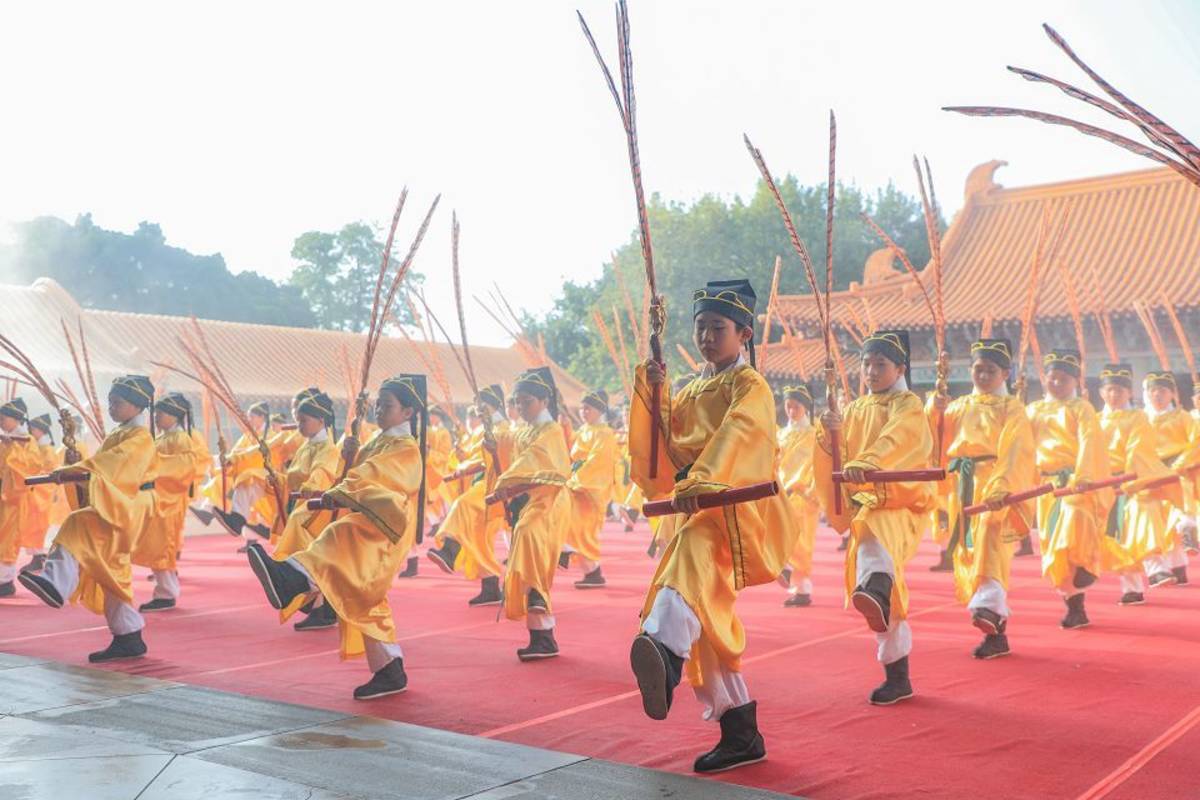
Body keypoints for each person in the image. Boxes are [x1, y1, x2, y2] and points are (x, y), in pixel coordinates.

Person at [628, 280, 799, 773]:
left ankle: (663, 649)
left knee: (686, 569)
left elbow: (740, 434)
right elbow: (670, 447)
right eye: (700, 326)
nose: (706, 336)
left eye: (717, 328)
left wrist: (704, 477)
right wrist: (653, 393)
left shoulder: (751, 387)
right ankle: (740, 732)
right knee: (707, 618)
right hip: (700, 504)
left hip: (735, 512)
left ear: (743, 333)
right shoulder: (693, 388)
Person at [246, 374, 429, 700]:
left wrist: (340, 490)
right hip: (370, 518)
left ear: (409, 413)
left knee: (339, 537)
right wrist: (350, 456)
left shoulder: (405, 447)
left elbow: (376, 476)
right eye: (377, 405)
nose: (378, 411)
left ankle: (296, 579)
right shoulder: (381, 440)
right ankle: (389, 670)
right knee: (364, 594)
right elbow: (360, 470)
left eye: (386, 406)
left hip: (386, 526)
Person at [815, 330, 936, 704]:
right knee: (880, 582)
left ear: (900, 367)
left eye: (880, 364)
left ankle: (875, 590)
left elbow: (899, 440)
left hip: (901, 502)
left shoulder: (908, 405)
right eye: (866, 364)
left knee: (874, 537)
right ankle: (896, 674)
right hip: (869, 501)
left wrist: (866, 463)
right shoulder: (854, 409)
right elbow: (837, 454)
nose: (870, 371)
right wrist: (828, 433)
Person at [20, 376, 159, 662]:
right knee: (108, 567)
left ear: (136, 405)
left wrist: (75, 469)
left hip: (129, 505)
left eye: (117, 403)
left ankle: (57, 583)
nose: (111, 408)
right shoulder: (123, 433)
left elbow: (111, 466)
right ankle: (128, 637)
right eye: (110, 402)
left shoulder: (140, 438)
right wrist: (76, 467)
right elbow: (102, 466)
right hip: (121, 502)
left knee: (77, 524)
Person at [933, 340, 1035, 658]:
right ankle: (996, 634)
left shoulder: (1012, 408)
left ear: (1005, 373)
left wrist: (1001, 487)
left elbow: (1016, 448)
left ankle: (989, 609)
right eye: (978, 369)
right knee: (968, 552)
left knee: (992, 537)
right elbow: (936, 435)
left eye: (991, 370)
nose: (984, 375)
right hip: (963, 485)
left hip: (996, 485)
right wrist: (933, 409)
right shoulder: (959, 405)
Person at [1026, 349, 1111, 630]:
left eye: (1063, 379)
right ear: (1045, 378)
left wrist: (1083, 476)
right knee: (1054, 549)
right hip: (1047, 486)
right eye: (1052, 378)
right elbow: (1021, 446)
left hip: (1076, 481)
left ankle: (1087, 565)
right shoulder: (1033, 410)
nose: (1057, 384)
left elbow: (1090, 442)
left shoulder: (1081, 408)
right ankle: (1076, 608)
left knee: (1076, 520)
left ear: (1074, 381)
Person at [492, 367, 573, 661]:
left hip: (549, 499)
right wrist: (493, 444)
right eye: (518, 402)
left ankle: (540, 600)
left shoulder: (551, 430)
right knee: (525, 548)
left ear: (544, 401)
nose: (521, 407)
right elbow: (510, 451)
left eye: (527, 402)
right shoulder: (524, 429)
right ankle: (542, 636)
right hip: (528, 498)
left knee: (528, 537)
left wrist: (508, 483)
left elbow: (533, 460)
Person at [1097, 364, 1182, 606]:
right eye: (1110, 390)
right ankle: (1132, 588)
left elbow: (1138, 448)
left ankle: (1156, 566)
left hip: (1133, 479)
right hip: (1103, 483)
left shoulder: (1138, 418)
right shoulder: (1094, 420)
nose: (1115, 395)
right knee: (1114, 536)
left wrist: (1130, 478)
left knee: (1142, 516)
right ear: (1102, 392)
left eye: (1120, 390)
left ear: (1129, 393)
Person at [426, 385, 511, 606]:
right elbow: (476, 456)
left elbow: (488, 460)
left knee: (463, 505)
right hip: (481, 483)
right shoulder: (487, 428)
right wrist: (461, 460)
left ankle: (450, 549)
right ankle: (490, 586)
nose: (476, 411)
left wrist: (464, 467)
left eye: (480, 407)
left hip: (493, 485)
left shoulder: (502, 428)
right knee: (477, 536)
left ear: (491, 406)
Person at [269, 388, 342, 630]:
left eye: (303, 420)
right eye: (298, 420)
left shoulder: (328, 449)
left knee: (300, 526)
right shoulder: (306, 447)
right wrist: (277, 479)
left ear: (321, 420)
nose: (299, 425)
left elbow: (322, 474)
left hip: (320, 508)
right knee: (300, 527)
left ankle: (287, 576)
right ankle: (321, 608)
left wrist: (311, 487)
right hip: (305, 505)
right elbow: (293, 480)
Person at [131, 392, 208, 612]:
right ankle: (164, 589)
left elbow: (184, 467)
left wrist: (152, 463)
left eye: (161, 414)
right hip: (158, 499)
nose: (156, 418)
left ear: (174, 416)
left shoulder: (181, 439)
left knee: (162, 547)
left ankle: (166, 593)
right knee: (155, 546)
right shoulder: (162, 438)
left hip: (169, 500)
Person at [1143, 369, 1198, 586]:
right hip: (1149, 475)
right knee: (1152, 521)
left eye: (1163, 391)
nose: (1158, 395)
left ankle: (1178, 563)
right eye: (1153, 391)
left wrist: (1179, 464)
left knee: (1178, 517)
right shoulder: (1141, 419)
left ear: (1172, 394)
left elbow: (1196, 442)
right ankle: (1161, 568)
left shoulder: (1182, 417)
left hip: (1178, 473)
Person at [563, 389, 619, 589]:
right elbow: (571, 451)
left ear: (598, 410)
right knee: (573, 525)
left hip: (590, 489)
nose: (583, 412)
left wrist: (575, 480)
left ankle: (591, 570)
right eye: (581, 408)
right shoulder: (584, 430)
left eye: (587, 408)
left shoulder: (604, 433)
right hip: (576, 484)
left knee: (582, 529)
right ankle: (592, 572)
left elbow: (597, 462)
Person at [776, 385, 819, 607]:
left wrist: (803, 487)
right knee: (780, 533)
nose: (792, 411)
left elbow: (814, 465)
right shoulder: (780, 434)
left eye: (796, 407)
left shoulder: (813, 435)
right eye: (788, 406)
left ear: (805, 408)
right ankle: (795, 581)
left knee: (801, 540)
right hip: (782, 492)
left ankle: (798, 582)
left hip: (803, 494)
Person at [213, 401, 277, 546]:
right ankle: (237, 520)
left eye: (252, 417)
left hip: (268, 478)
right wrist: (227, 458)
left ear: (262, 417)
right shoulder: (248, 435)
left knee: (246, 480)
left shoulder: (272, 435)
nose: (249, 420)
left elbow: (256, 452)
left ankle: (239, 521)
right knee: (237, 483)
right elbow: (237, 451)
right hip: (251, 477)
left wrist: (234, 458)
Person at [0, 399, 46, 597]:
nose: (1, 422)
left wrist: (12, 448)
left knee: (8, 539)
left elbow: (31, 468)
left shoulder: (26, 440)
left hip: (16, 499)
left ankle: (5, 581)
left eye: (3, 418)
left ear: (15, 420)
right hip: (4, 495)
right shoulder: (7, 439)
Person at [22, 414, 59, 573]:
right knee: (33, 526)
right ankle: (37, 557)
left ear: (40, 431)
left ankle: (38, 557)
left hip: (40, 494)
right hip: (36, 492)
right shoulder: (41, 447)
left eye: (33, 429)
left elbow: (49, 473)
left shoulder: (47, 449)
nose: (31, 432)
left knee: (37, 526)